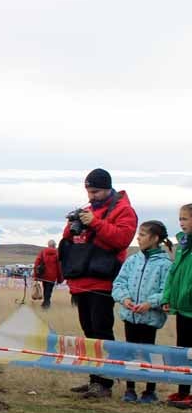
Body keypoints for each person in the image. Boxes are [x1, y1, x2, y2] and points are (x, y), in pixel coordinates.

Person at [59, 168, 137, 398]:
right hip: (81, 279)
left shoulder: (124, 210)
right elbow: (68, 238)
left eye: (95, 191)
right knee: (89, 332)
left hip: (102, 280)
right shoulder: (87, 210)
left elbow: (121, 239)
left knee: (102, 331)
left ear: (107, 188)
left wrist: (95, 223)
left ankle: (105, 382)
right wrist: (75, 223)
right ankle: (94, 378)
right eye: (88, 191)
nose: (91, 196)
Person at [112, 221, 173, 403]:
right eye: (138, 234)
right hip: (130, 316)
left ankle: (149, 391)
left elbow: (166, 291)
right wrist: (125, 299)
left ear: (155, 239)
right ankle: (130, 390)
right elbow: (119, 283)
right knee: (130, 352)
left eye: (143, 235)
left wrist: (150, 303)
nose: (138, 238)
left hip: (150, 318)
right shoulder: (132, 260)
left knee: (149, 353)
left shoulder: (165, 265)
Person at [162, 204, 192, 408]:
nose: (181, 222)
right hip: (182, 307)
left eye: (186, 219)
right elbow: (173, 272)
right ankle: (183, 391)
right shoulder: (182, 245)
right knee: (183, 350)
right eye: (180, 218)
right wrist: (167, 296)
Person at [33, 240, 63, 309]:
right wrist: (59, 279)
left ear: (48, 245)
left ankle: (45, 303)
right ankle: (46, 303)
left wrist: (36, 275)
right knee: (49, 290)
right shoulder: (57, 253)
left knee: (45, 288)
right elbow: (59, 267)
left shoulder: (43, 252)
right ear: (55, 245)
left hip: (44, 275)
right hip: (52, 276)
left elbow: (36, 263)